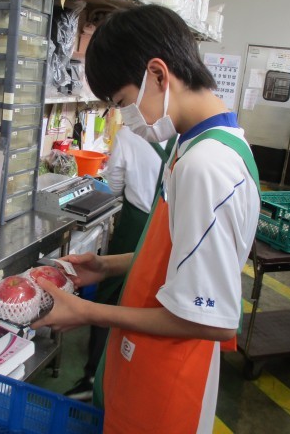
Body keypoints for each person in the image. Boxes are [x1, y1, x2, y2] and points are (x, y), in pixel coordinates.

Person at [31, 4, 261, 433]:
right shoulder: (198, 144)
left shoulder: (207, 166)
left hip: (170, 384)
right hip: (148, 365)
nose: (125, 118)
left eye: (122, 103)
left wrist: (86, 311)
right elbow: (181, 257)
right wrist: (108, 266)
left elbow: (208, 318)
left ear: (157, 74)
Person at [65, 125, 176, 401]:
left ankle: (93, 376)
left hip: (135, 224)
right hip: (167, 228)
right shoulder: (184, 137)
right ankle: (130, 379)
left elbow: (114, 187)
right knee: (151, 298)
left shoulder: (127, 135)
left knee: (110, 296)